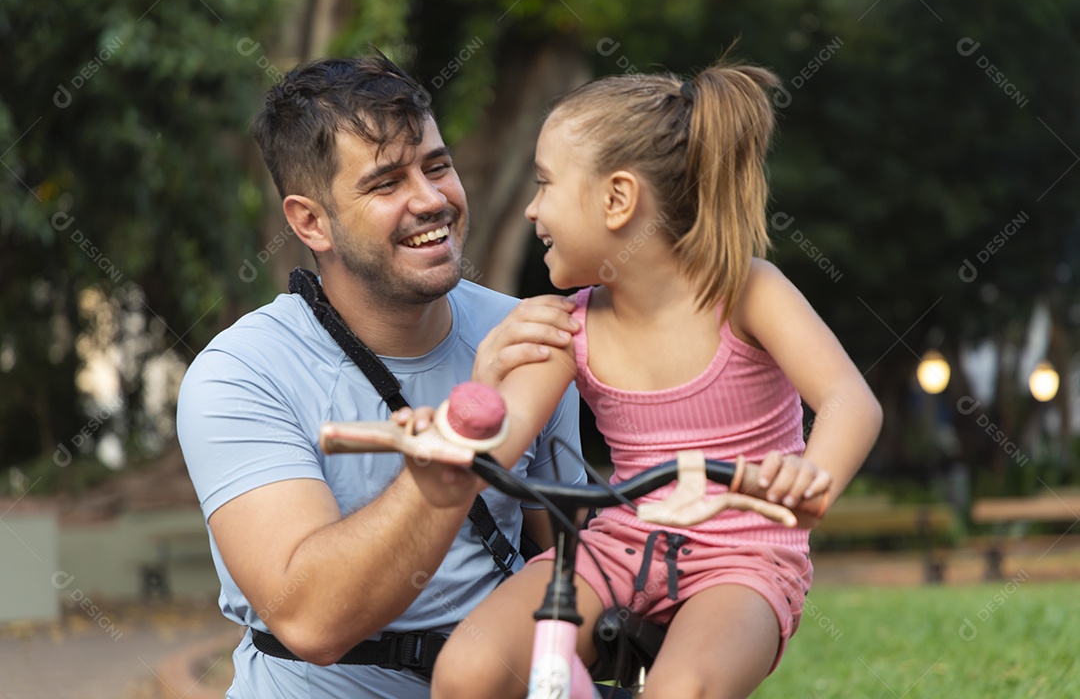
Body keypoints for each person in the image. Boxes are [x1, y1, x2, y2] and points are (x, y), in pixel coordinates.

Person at [416, 57, 884, 699]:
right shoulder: (563, 327)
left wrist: (812, 476)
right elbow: (500, 443)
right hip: (618, 546)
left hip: (743, 555)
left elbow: (849, 401)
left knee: (681, 690)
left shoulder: (746, 292)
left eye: (545, 183)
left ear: (617, 200)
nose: (530, 209)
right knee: (467, 671)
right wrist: (468, 408)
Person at [175, 52, 586, 699]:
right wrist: (450, 459)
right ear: (310, 221)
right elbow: (310, 619)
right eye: (386, 183)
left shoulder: (527, 334)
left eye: (438, 166)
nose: (431, 200)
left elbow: (568, 552)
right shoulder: (240, 375)